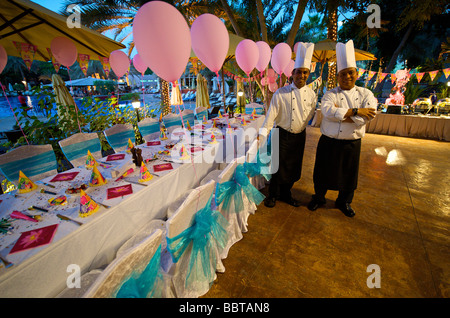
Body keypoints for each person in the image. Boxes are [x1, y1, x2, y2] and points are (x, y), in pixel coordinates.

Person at [307, 40, 377, 217]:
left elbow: (366, 118)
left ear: (356, 73)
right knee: (321, 172)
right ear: (338, 76)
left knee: (349, 175)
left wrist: (342, 115)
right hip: (328, 142)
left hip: (351, 143)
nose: (347, 77)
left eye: (350, 73)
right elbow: (328, 112)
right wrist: (355, 111)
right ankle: (319, 197)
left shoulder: (366, 94)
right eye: (343, 74)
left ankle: (344, 202)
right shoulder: (330, 94)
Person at [259, 42, 317, 208]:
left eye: (305, 72)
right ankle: (273, 195)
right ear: (293, 73)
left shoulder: (312, 94)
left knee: (293, 167)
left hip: (299, 135)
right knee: (277, 168)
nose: (302, 75)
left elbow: (310, 115)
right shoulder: (280, 93)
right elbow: (271, 116)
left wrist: (300, 128)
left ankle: (286, 193)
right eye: (299, 72)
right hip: (281, 133)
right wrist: (262, 134)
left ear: (308, 74)